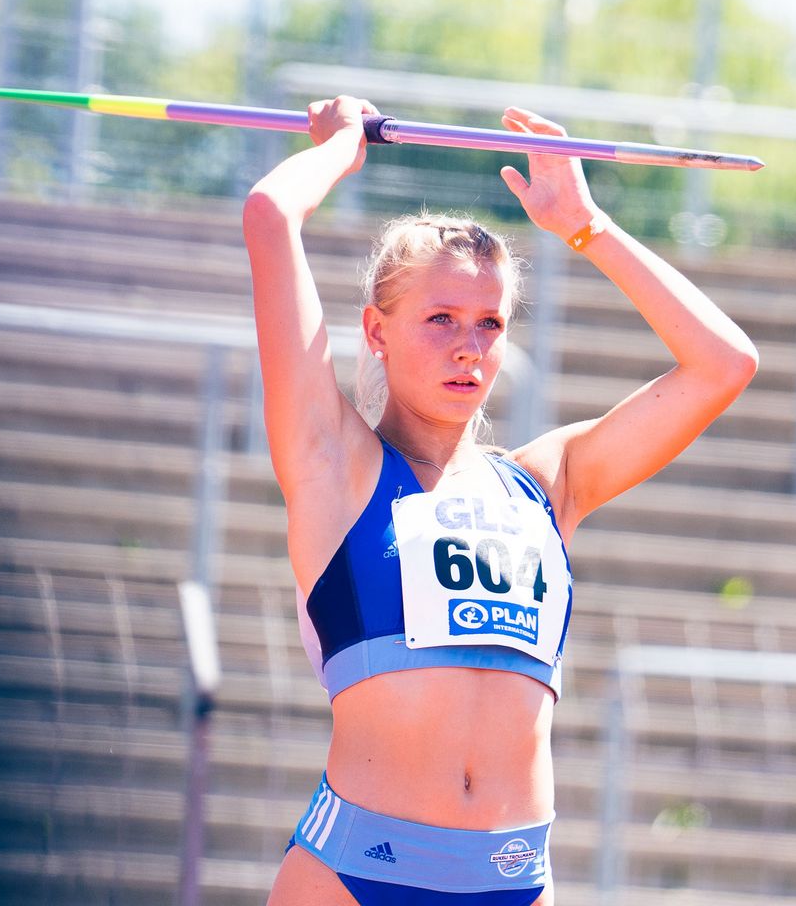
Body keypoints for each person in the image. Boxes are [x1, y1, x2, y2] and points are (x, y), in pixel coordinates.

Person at [244, 96, 759, 905]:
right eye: (440, 317)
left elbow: (725, 364)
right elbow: (271, 213)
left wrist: (584, 223)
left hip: (514, 885)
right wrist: (343, 147)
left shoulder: (548, 483)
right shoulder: (333, 463)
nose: (467, 346)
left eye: (489, 323)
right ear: (376, 331)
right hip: (354, 879)